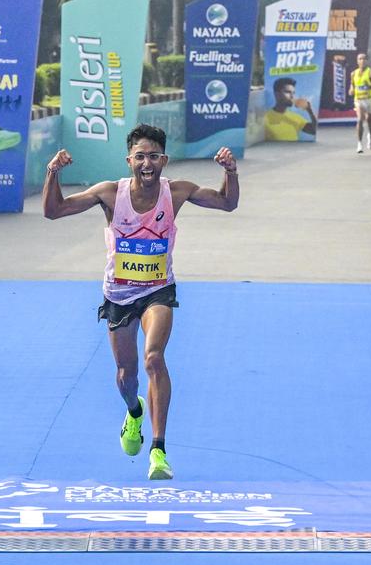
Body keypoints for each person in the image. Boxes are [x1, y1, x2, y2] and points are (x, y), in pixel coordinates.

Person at [42, 124, 239, 480]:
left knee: (153, 358)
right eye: (139, 157)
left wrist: (230, 172)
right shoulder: (109, 194)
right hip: (118, 296)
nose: (146, 164)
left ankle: (159, 451)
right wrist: (52, 172)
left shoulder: (176, 192)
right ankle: (134, 412)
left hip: (158, 290)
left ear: (164, 159)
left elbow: (227, 203)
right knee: (126, 376)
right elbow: (53, 211)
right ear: (128, 160)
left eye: (153, 156)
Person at [263, 77, 317, 141]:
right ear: (277, 94)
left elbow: (314, 131)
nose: (292, 96)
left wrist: (310, 110)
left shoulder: (295, 117)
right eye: (288, 92)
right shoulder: (263, 118)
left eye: (293, 93)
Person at [349, 52, 371, 154]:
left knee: (369, 120)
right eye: (360, 59)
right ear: (357, 61)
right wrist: (351, 91)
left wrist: (370, 86)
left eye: (364, 59)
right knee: (360, 119)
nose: (362, 61)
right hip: (359, 100)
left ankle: (370, 135)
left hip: (370, 99)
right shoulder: (353, 74)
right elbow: (351, 88)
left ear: (366, 61)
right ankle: (359, 144)